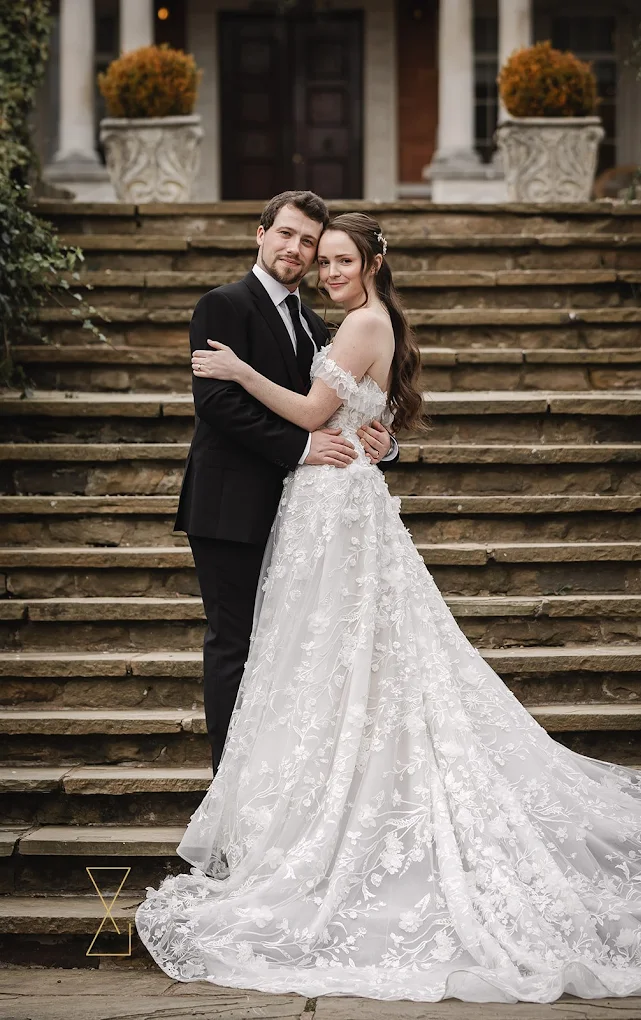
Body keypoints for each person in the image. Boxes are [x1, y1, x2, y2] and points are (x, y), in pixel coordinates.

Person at [136, 213, 641, 1003]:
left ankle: (289, 817)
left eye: (333, 255)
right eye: (306, 250)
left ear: (370, 261)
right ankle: (252, 808)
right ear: (263, 236)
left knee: (329, 658)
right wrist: (358, 434)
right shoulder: (233, 306)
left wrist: (336, 422)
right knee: (256, 652)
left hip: (327, 504)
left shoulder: (347, 318)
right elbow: (237, 410)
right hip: (247, 503)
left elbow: (321, 405)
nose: (318, 265)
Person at [175, 191, 398, 775]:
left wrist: (381, 442)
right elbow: (218, 404)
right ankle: (230, 788)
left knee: (288, 650)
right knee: (236, 645)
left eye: (310, 244)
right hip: (230, 505)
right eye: (288, 235)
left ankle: (278, 781)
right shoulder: (222, 306)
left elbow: (343, 402)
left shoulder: (317, 320)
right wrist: (301, 447)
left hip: (303, 513)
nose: (297, 251)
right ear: (261, 233)